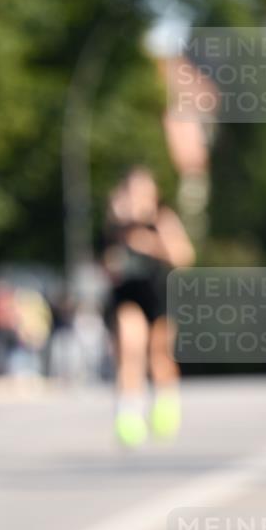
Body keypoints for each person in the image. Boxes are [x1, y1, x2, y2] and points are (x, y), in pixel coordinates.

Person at [104, 166, 195, 447]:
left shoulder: (163, 219)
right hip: (127, 294)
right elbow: (104, 263)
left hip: (158, 293)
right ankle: (128, 414)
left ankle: (166, 402)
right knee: (130, 349)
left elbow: (183, 257)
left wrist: (149, 243)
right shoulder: (115, 225)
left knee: (159, 356)